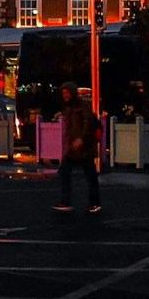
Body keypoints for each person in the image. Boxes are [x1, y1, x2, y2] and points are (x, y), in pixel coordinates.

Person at [54, 82, 101, 213]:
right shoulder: (68, 108)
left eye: (67, 92)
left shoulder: (82, 106)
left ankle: (94, 202)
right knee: (64, 172)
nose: (65, 95)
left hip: (84, 147)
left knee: (90, 175)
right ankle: (66, 201)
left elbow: (88, 123)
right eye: (63, 93)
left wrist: (81, 138)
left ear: (73, 93)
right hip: (73, 148)